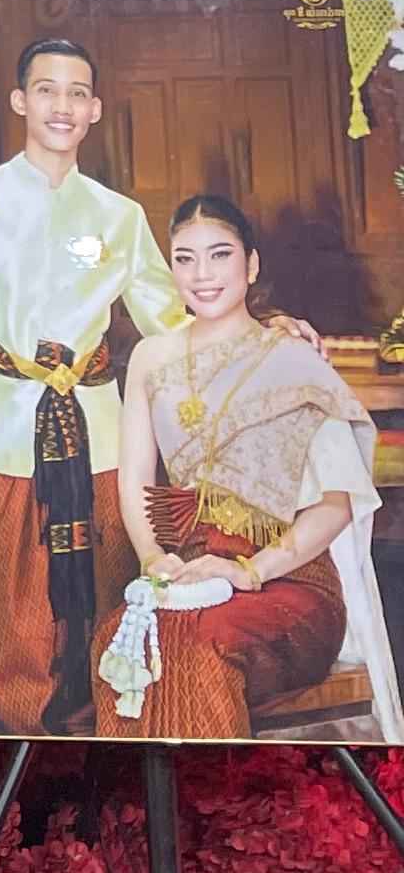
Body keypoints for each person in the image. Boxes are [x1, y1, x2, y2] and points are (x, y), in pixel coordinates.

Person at [0, 34, 184, 734]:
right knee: (7, 610)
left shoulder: (118, 215)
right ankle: (32, 738)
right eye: (47, 90)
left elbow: (171, 324)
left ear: (95, 110)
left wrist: (261, 333)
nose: (63, 105)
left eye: (78, 93)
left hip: (102, 437)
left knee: (112, 596)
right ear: (21, 100)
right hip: (1, 441)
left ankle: (107, 734)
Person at [103, 193, 388, 739]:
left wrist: (247, 572)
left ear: (251, 265)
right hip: (190, 567)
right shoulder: (151, 357)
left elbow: (336, 505)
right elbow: (135, 475)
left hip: (287, 581)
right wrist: (154, 559)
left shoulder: (291, 356)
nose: (202, 274)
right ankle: (156, 795)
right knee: (127, 641)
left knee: (197, 644)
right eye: (185, 258)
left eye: (220, 255)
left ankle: (212, 791)